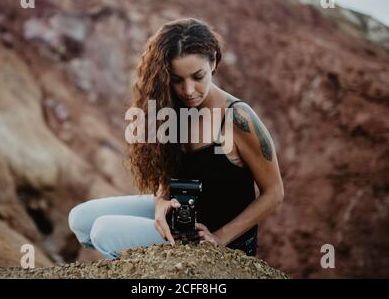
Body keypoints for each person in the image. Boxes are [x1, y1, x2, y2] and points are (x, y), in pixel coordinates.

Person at [68, 18, 284, 260]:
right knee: (80, 219)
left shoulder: (238, 119)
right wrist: (161, 202)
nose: (188, 90)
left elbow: (274, 192)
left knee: (103, 231)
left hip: (214, 238)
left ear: (213, 62)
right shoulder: (169, 106)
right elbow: (166, 173)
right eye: (177, 79)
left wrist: (220, 237)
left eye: (197, 76)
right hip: (178, 218)